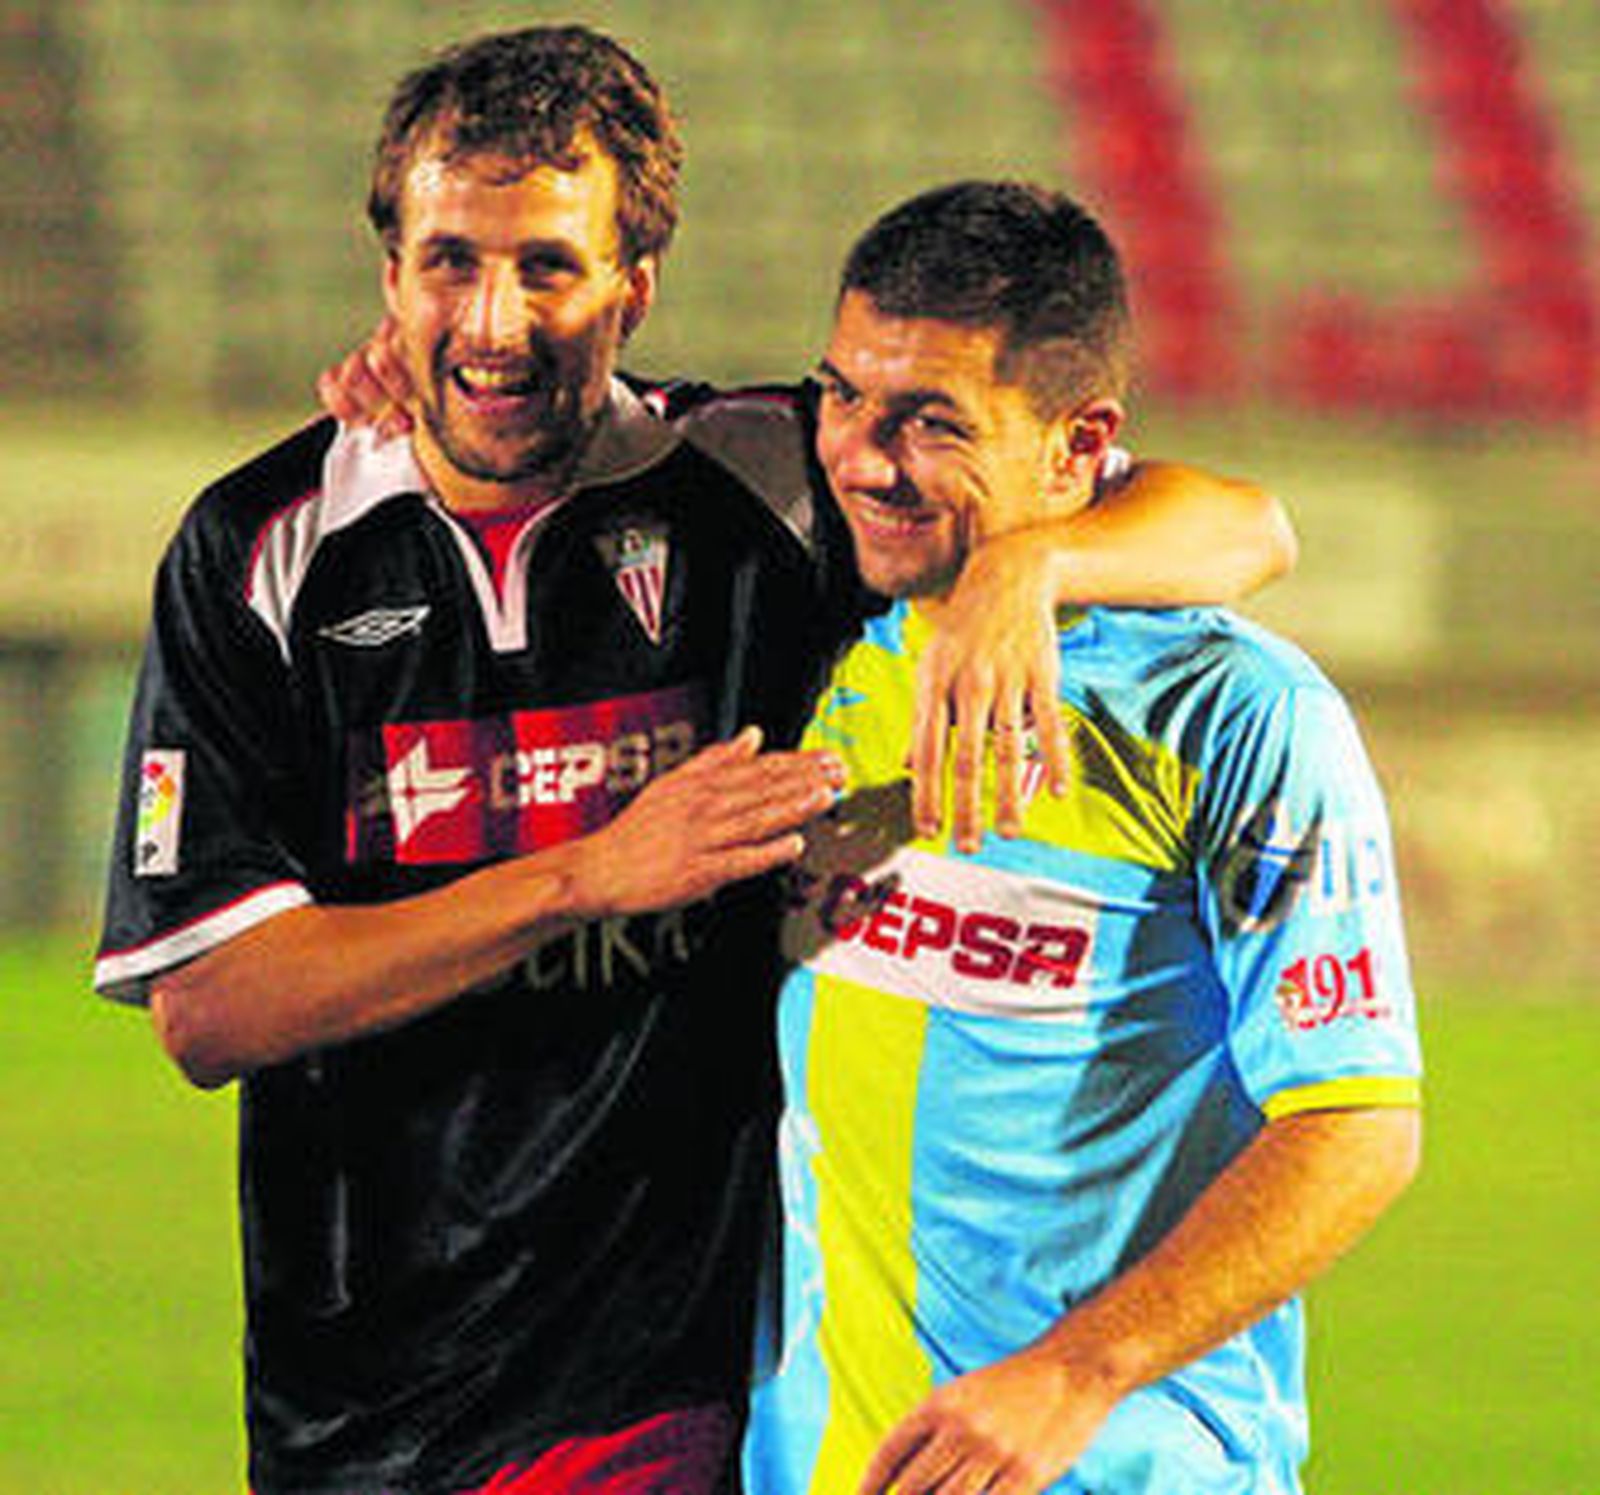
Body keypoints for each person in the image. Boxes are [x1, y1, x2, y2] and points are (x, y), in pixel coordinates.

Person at [96, 27, 1293, 1495]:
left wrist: (1033, 567)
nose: (493, 322)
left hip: (666, 1378)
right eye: (450, 262)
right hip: (353, 1397)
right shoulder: (260, 551)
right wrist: (589, 879)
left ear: (633, 287)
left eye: (548, 266)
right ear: (389, 274)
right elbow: (211, 1008)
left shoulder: (769, 482)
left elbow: (1245, 526)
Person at [742, 181, 1422, 1495]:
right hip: (826, 1467)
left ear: (1079, 446)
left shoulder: (1236, 716)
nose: (862, 459)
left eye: (933, 424)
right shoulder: (817, 633)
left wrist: (1077, 1372)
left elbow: (1355, 1126)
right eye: (842, 397)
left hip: (1126, 1467)